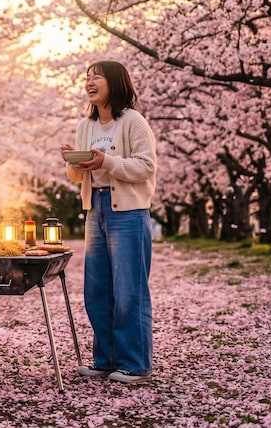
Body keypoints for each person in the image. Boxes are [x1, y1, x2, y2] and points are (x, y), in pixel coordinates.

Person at [61, 60, 157, 384]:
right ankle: (106, 360)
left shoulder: (133, 121)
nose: (90, 82)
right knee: (97, 289)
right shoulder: (85, 125)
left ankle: (135, 364)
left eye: (97, 77)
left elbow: (146, 166)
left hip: (128, 212)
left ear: (115, 82)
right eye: (87, 77)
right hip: (95, 208)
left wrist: (107, 161)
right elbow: (79, 176)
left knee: (129, 290)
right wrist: (72, 162)